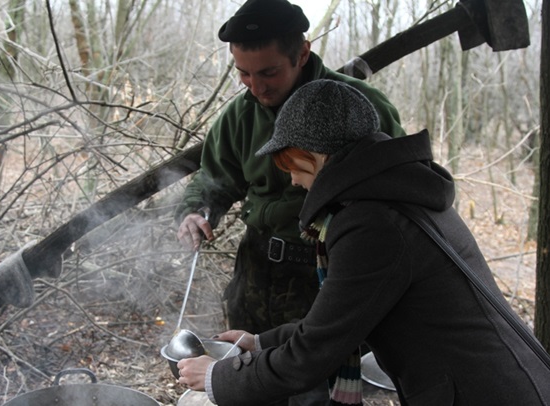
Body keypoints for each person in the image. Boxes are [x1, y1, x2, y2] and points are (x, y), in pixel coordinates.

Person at [176, 79, 550, 405]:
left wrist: (218, 378)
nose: (292, 181)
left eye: (291, 164)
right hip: (504, 381)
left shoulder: (371, 222)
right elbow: (340, 320)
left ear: (316, 153)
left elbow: (314, 353)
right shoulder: (398, 193)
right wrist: (258, 343)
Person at [175, 0, 404, 336]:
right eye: (244, 73)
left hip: (328, 272)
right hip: (255, 270)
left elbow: (394, 198)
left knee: (316, 375)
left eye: (269, 72)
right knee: (248, 374)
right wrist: (196, 211)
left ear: (302, 54)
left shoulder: (359, 108)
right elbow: (213, 181)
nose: (256, 87)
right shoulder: (239, 116)